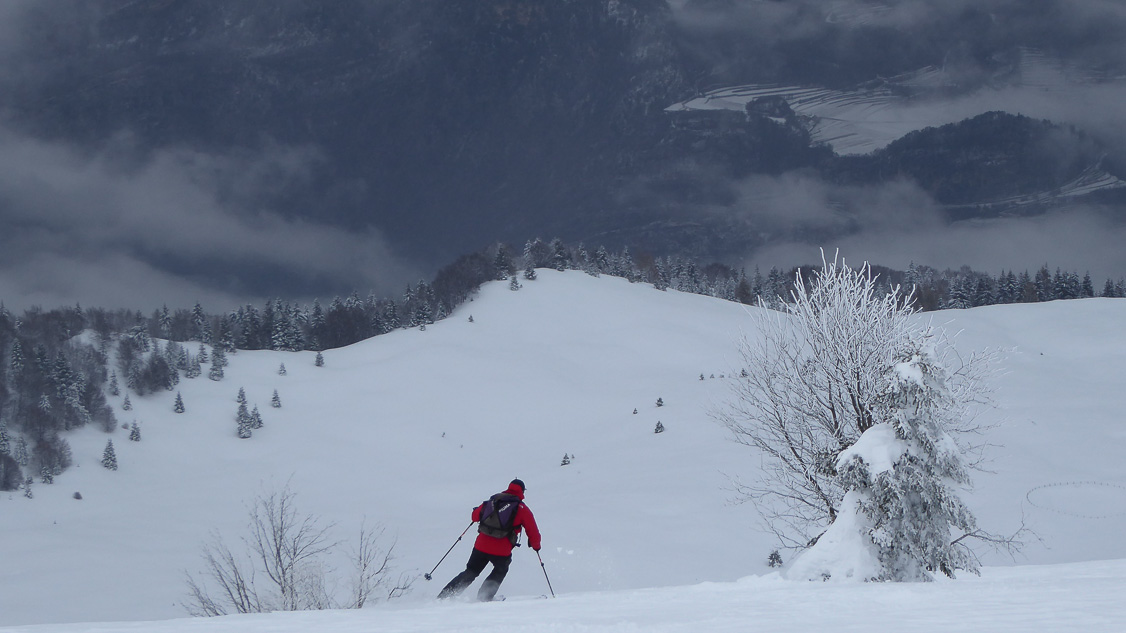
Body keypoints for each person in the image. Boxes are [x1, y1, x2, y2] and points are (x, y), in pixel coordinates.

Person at [438, 478, 541, 601]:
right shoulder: (521, 508)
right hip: (501, 550)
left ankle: (445, 596)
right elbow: (533, 530)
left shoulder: (493, 501)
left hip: (481, 546)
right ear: (522, 491)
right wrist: (536, 546)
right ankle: (484, 597)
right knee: (500, 570)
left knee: (471, 571)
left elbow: (474, 517)